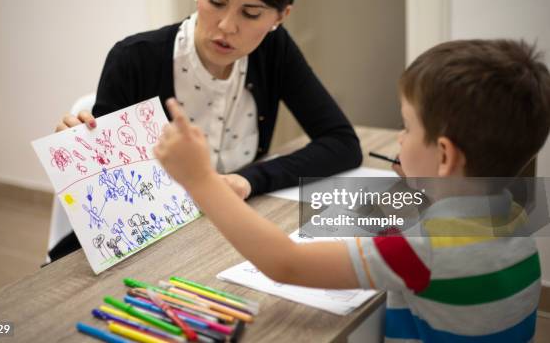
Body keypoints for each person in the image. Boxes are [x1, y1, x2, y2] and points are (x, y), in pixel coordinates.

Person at [155, 39, 550, 342]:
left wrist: (201, 180)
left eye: (407, 128)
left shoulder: (422, 250)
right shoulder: (516, 217)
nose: (399, 137)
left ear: (444, 156)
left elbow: (285, 263)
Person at [49, 0, 362, 261]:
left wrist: (247, 181)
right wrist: (82, 156)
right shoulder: (134, 59)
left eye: (251, 13)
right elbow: (108, 205)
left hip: (219, 240)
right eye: (216, 1)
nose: (227, 26)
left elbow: (342, 143)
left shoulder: (274, 50)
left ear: (280, 17)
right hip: (143, 248)